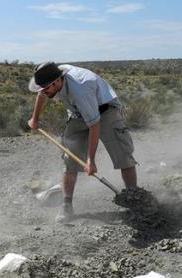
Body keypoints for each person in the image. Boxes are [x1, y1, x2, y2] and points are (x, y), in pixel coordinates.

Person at [27, 62, 137, 223]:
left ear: (58, 81)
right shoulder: (49, 81)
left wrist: (90, 161)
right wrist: (34, 119)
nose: (44, 92)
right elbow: (41, 94)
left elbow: (94, 124)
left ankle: (134, 200)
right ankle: (67, 206)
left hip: (105, 112)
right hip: (77, 114)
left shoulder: (80, 89)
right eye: (41, 88)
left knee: (123, 156)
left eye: (47, 88)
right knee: (69, 160)